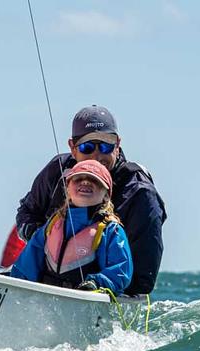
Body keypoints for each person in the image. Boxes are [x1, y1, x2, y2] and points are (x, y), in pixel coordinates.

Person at [16, 105, 166, 295]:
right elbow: (27, 213)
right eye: (87, 147)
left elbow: (142, 280)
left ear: (118, 144)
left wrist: (98, 284)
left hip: (102, 294)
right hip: (46, 288)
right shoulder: (57, 172)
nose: (97, 156)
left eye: (106, 146)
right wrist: (49, 243)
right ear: (72, 148)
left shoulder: (141, 193)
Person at [10, 159, 132, 294]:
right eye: (78, 179)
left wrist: (96, 284)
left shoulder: (110, 230)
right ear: (67, 189)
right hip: (46, 300)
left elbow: (121, 270)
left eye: (94, 180)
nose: (85, 182)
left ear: (106, 195)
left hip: (87, 301)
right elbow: (26, 265)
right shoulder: (53, 224)